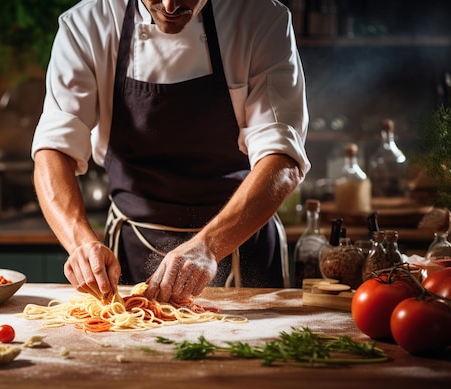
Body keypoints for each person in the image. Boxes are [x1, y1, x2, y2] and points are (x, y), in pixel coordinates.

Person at [32, 0, 311, 303]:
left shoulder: (260, 17)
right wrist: (80, 242)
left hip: (242, 240)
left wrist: (210, 245)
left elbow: (283, 158)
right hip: (134, 242)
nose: (169, 5)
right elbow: (54, 148)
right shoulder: (88, 23)